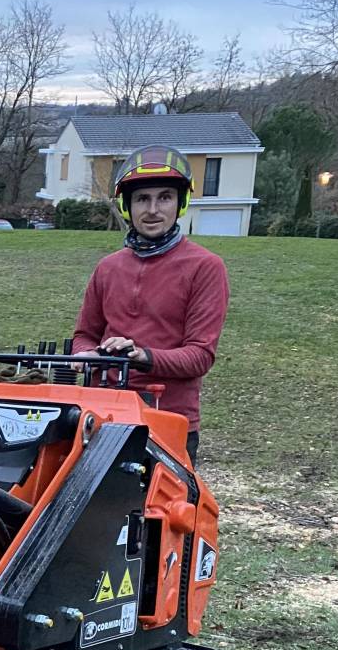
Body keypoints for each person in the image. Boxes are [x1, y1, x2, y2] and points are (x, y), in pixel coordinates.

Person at [72, 145, 229, 464]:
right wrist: (84, 355)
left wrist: (143, 356)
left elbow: (200, 355)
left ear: (180, 203)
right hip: (102, 414)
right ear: (127, 205)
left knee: (162, 513)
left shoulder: (205, 267)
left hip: (166, 418)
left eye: (164, 197)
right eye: (143, 199)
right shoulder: (108, 267)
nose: (153, 209)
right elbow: (85, 334)